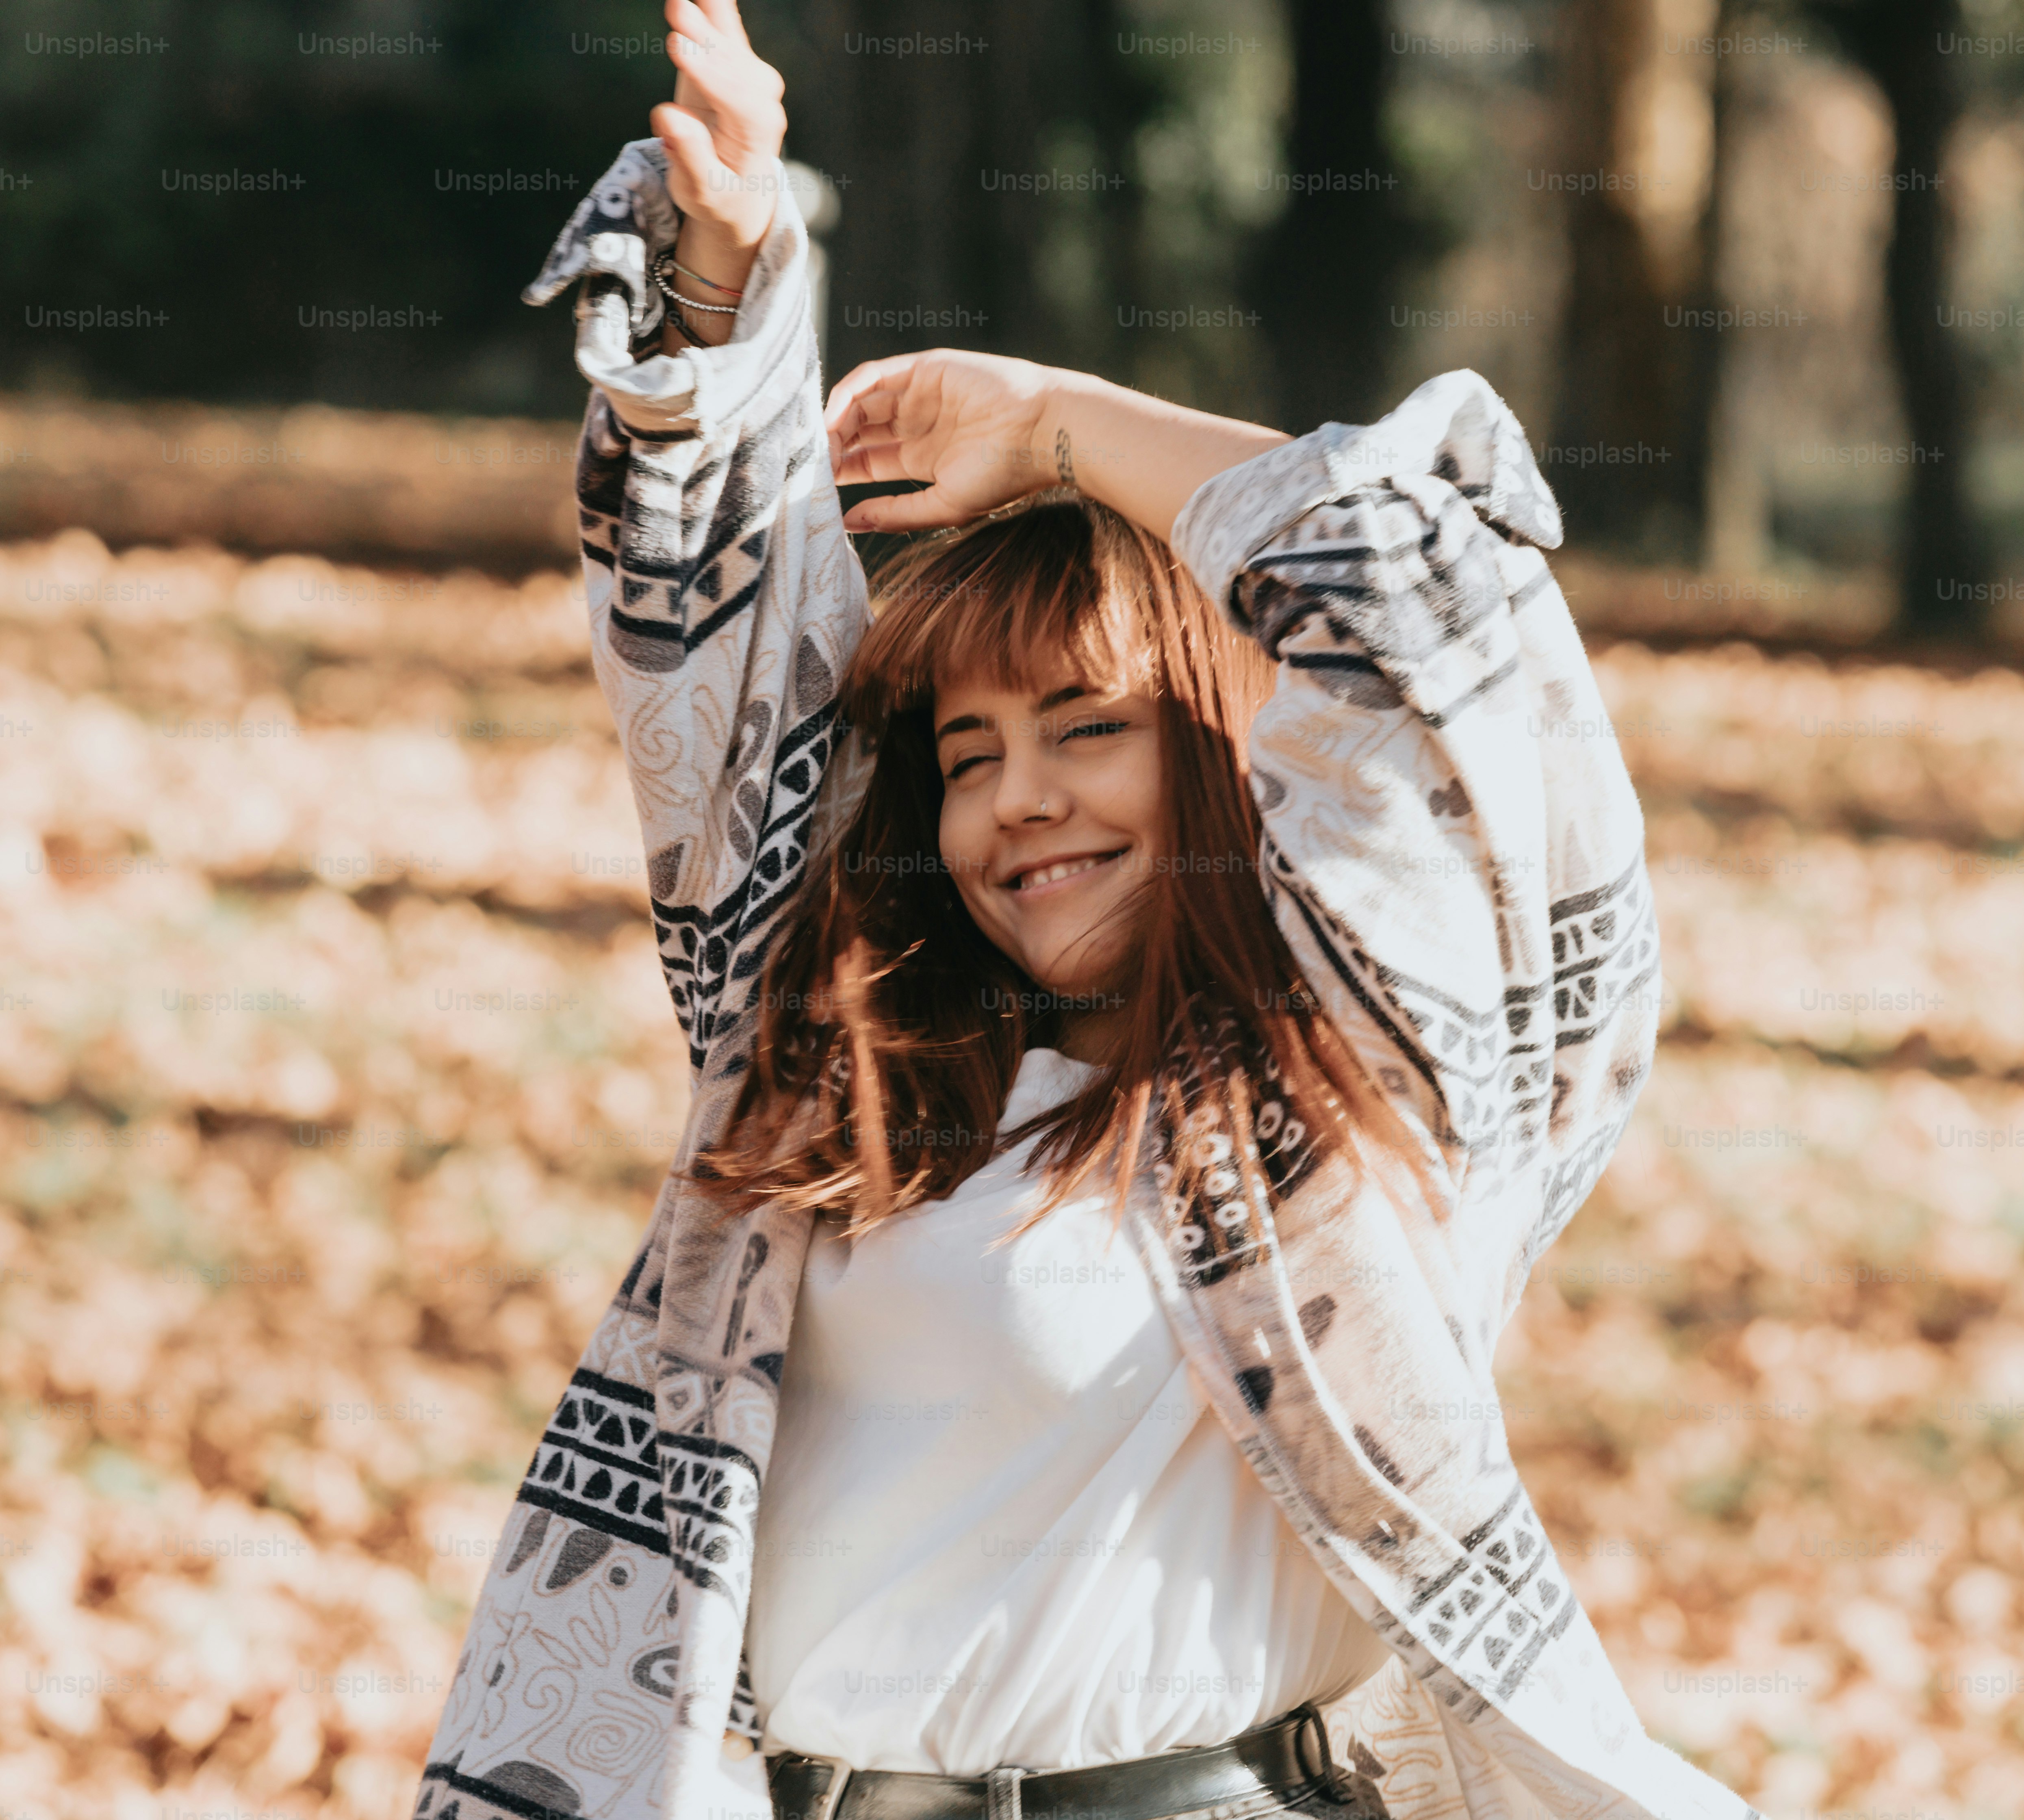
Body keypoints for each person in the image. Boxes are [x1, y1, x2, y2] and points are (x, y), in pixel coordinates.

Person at [416, 3, 1762, 1818]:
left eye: (1087, 728)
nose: (1018, 799)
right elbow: (718, 705)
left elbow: (1434, 616)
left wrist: (1057, 431)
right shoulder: (851, 1059)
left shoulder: (1367, 1085)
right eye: (969, 752)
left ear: (1220, 755)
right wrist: (725, 291)